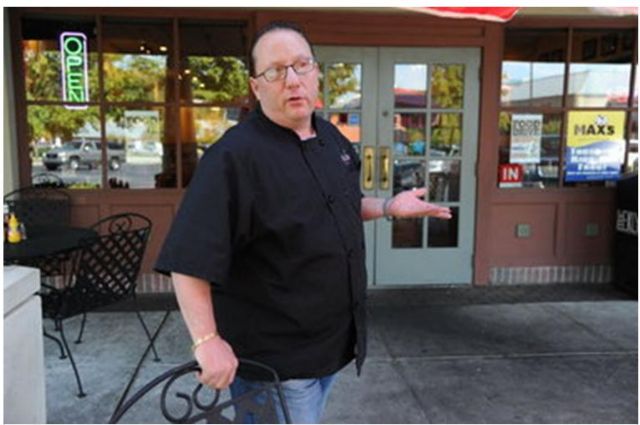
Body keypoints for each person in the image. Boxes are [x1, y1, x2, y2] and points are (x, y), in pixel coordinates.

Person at [155, 21, 452, 424]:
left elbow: (339, 206)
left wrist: (387, 206)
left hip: (329, 345)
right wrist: (207, 341)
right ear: (256, 87)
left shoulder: (331, 138)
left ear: (316, 73)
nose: (292, 80)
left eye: (301, 65)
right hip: (275, 359)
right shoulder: (232, 158)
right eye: (276, 71)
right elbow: (189, 258)